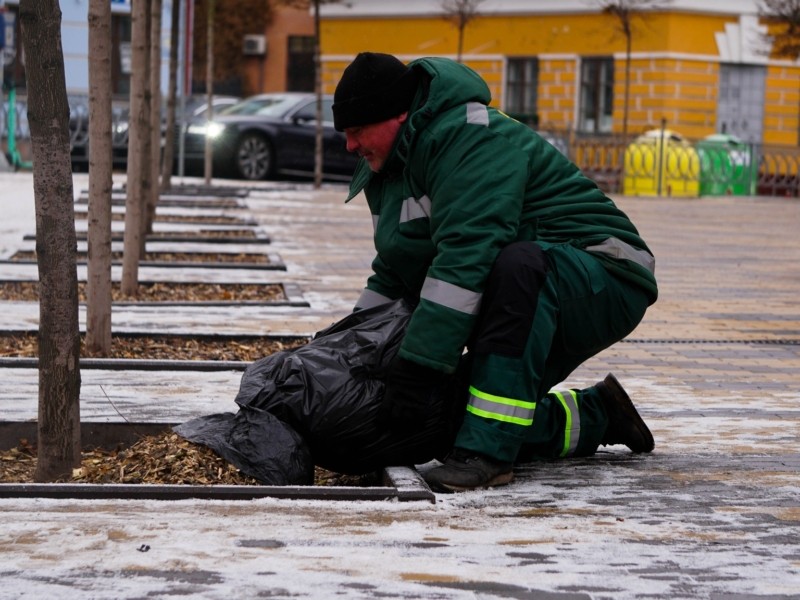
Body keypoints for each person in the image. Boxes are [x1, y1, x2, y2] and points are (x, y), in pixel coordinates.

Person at [332, 52, 658, 493]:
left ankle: (488, 458)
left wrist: (420, 367)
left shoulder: (468, 138)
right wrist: (343, 345)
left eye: (356, 131)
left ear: (398, 115)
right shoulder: (394, 167)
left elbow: (468, 256)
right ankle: (601, 415)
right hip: (532, 281)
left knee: (518, 268)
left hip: (602, 272)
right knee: (444, 420)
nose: (349, 146)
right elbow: (395, 272)